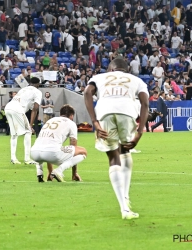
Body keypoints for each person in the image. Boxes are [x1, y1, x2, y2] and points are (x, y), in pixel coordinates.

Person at [84, 58, 149, 220]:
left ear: (111, 69)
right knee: (125, 152)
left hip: (104, 112)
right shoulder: (137, 80)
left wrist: (94, 122)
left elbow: (87, 93)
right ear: (126, 70)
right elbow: (145, 104)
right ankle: (126, 198)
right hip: (127, 112)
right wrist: (139, 132)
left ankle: (124, 208)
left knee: (113, 157)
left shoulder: (100, 77)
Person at [31, 104, 87, 182]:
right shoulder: (71, 123)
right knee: (83, 151)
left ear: (60, 114)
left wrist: (50, 172)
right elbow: (73, 146)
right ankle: (59, 171)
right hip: (51, 153)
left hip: (34, 153)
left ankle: (39, 172)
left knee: (47, 146)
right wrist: (74, 173)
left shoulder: (50, 120)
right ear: (71, 115)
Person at [4, 77, 42, 165]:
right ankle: (27, 159)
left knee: (14, 134)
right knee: (28, 131)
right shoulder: (37, 92)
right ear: (38, 84)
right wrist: (31, 125)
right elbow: (35, 108)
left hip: (8, 107)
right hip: (17, 109)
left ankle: (13, 158)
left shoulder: (23, 89)